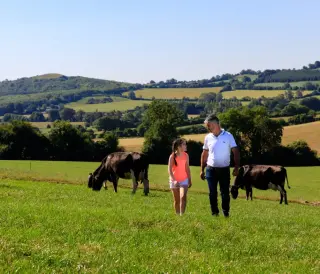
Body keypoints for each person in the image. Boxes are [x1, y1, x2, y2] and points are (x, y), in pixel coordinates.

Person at [200, 113, 240, 217]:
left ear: (216, 124)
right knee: (212, 193)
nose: (208, 128)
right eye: (207, 126)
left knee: (225, 193)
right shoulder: (208, 137)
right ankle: (214, 213)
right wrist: (202, 170)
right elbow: (204, 154)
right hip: (210, 170)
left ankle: (226, 213)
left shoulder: (228, 136)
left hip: (224, 169)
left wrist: (236, 167)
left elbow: (235, 152)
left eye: (209, 125)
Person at [168, 138, 192, 216]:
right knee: (177, 200)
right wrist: (174, 180)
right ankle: (177, 215)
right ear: (179, 146)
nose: (186, 146)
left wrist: (189, 179)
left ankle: (182, 215)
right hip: (174, 181)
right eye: (184, 144)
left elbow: (187, 168)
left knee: (183, 197)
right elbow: (170, 170)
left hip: (184, 180)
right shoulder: (172, 156)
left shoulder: (186, 155)